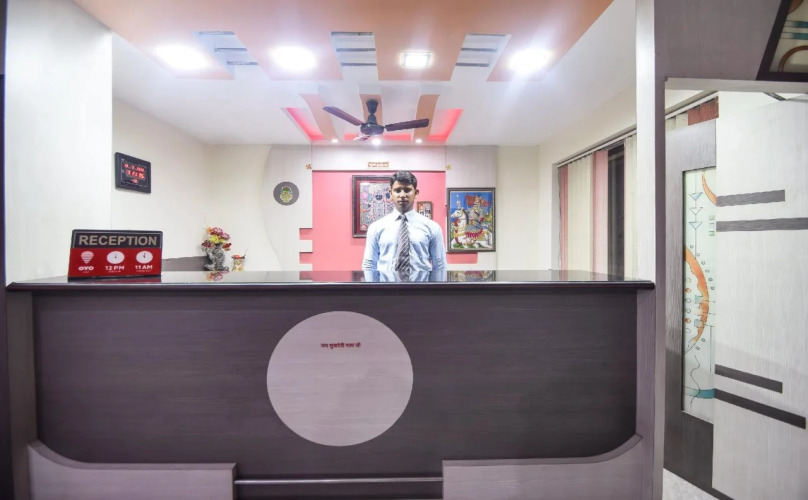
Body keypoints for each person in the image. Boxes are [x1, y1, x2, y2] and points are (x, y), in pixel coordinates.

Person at [362, 171, 446, 281]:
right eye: (397, 190)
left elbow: (439, 266)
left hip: (421, 288)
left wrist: (436, 291)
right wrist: (372, 291)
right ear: (390, 193)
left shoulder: (432, 228)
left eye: (407, 190)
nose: (402, 195)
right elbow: (369, 265)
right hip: (386, 288)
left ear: (416, 193)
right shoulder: (376, 228)